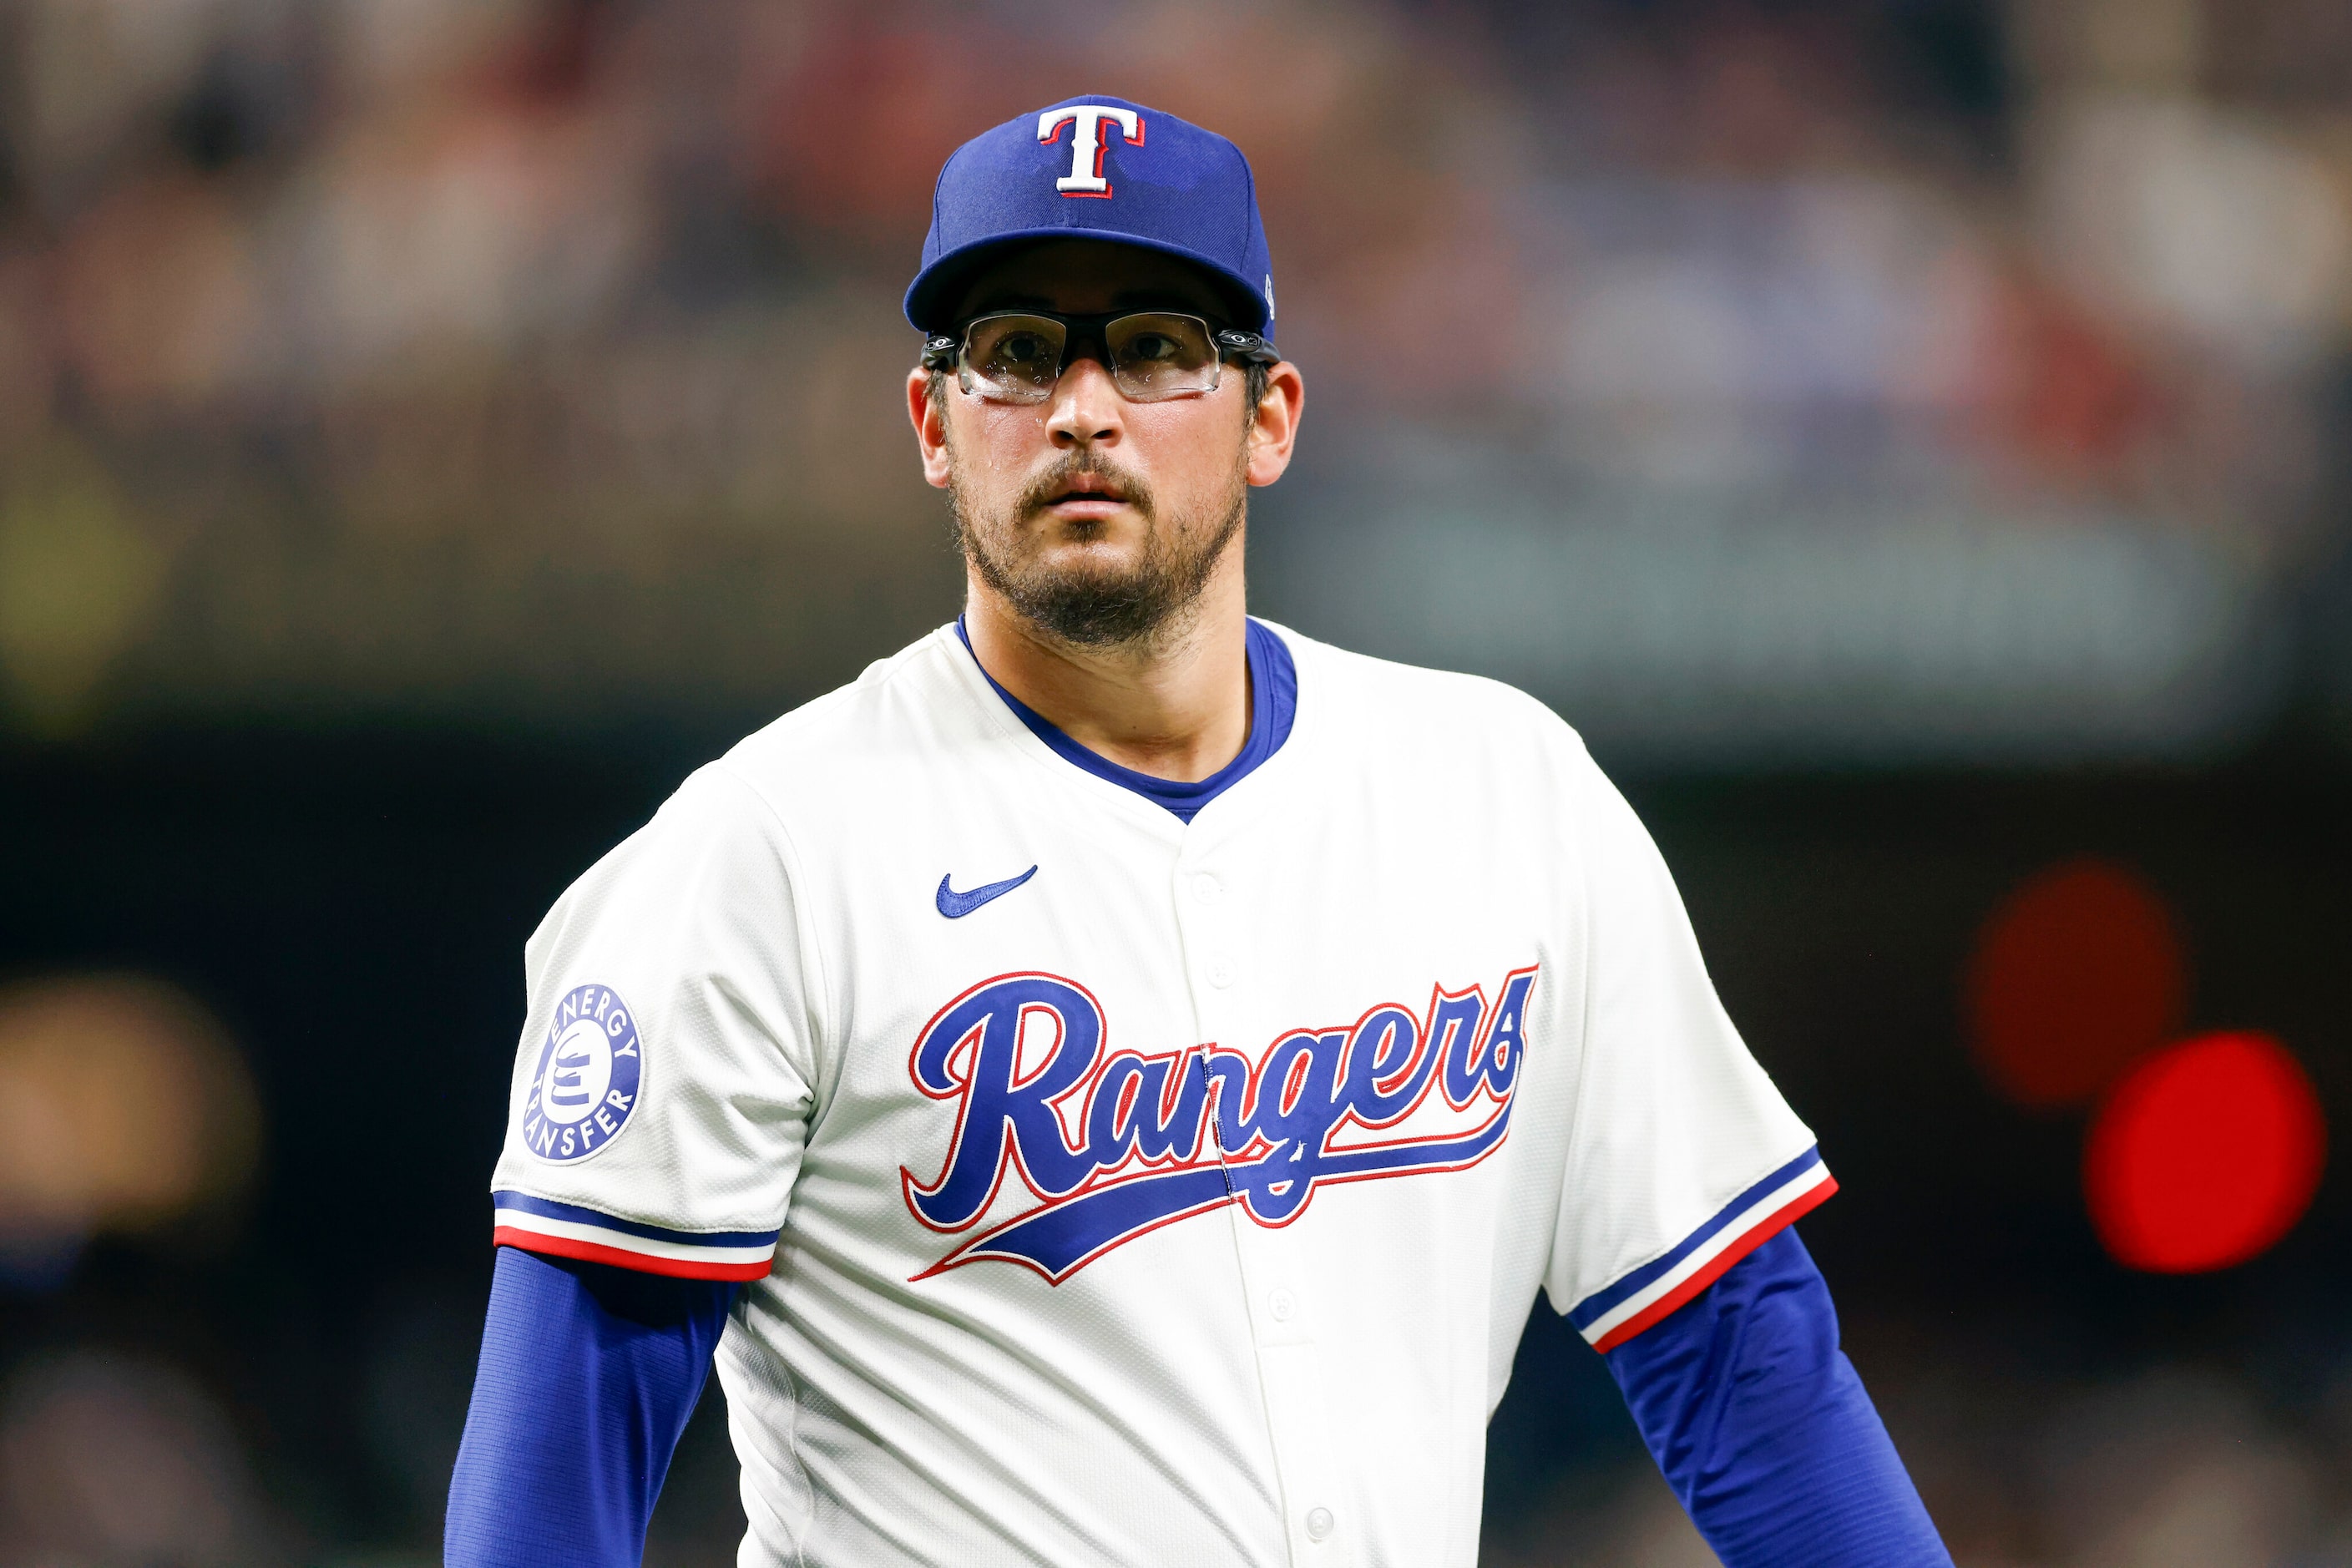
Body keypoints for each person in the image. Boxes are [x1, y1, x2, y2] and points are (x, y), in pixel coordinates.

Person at [443, 95, 1952, 1567]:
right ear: (932, 422)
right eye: (1017, 353)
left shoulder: (1507, 792)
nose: (1082, 408)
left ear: (1267, 418)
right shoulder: (760, 854)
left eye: (1157, 349)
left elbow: (1743, 1366)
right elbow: (556, 1464)